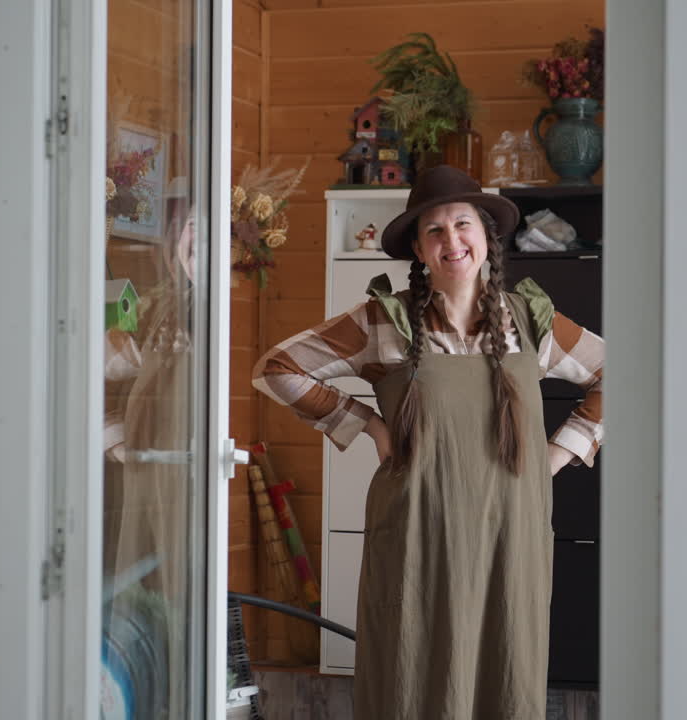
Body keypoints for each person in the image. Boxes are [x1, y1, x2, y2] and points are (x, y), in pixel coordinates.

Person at [251, 165, 604, 719]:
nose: (451, 241)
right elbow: (278, 368)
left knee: (505, 674)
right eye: (433, 231)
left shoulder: (530, 323)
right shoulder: (382, 323)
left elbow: (620, 375)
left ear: (486, 237)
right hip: (417, 535)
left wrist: (555, 455)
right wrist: (363, 422)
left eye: (463, 225)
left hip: (508, 535)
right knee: (409, 676)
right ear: (417, 249)